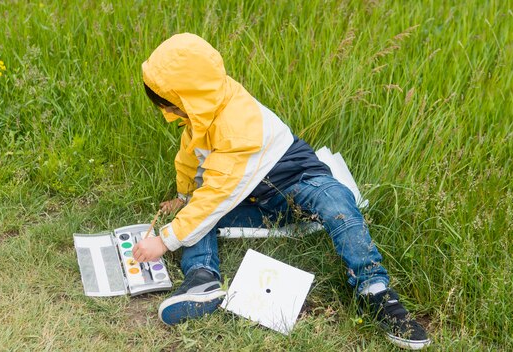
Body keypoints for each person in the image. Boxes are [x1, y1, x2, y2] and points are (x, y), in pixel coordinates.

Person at [132, 33, 430, 350]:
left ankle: (374, 289)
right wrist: (182, 196)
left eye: (171, 106)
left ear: (187, 96)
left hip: (298, 180)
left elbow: (216, 194)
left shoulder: (238, 124)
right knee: (197, 213)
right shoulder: (205, 105)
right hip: (254, 195)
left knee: (336, 200)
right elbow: (191, 157)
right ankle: (202, 279)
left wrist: (164, 240)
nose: (171, 114)